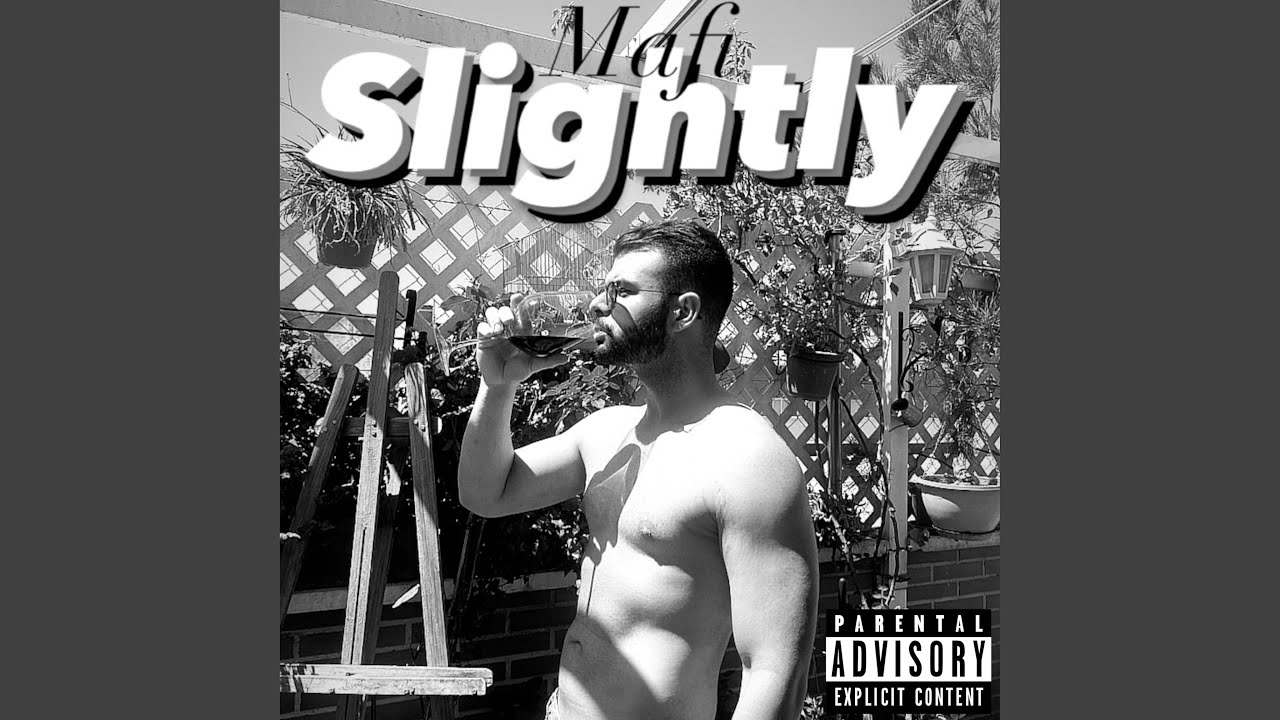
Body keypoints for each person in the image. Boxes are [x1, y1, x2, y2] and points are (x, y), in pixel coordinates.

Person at [457, 219, 819, 720]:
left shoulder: (746, 456)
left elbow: (776, 673)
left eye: (622, 291)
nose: (596, 305)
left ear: (682, 312)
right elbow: (486, 493)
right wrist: (497, 388)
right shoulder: (606, 432)